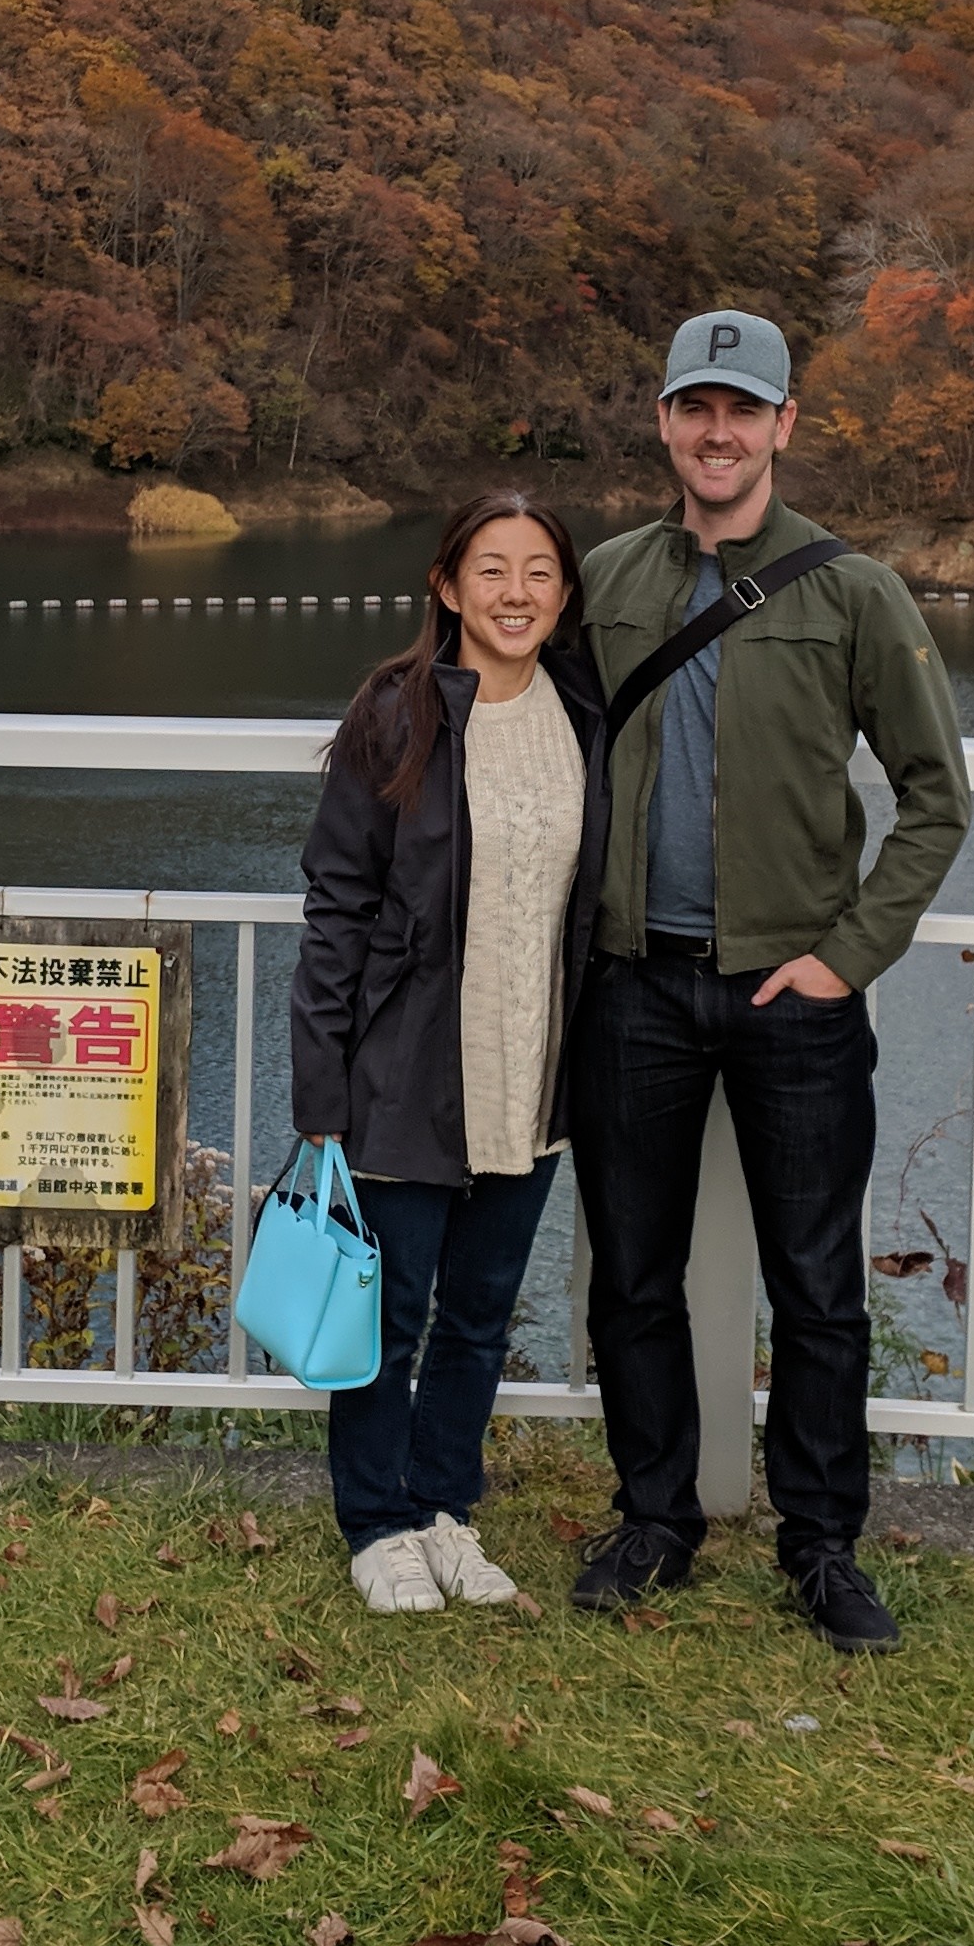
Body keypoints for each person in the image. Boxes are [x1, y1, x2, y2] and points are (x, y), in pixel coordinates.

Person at [566, 309, 970, 1652]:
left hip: (792, 999)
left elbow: (934, 801)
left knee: (817, 1282)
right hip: (635, 986)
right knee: (630, 1272)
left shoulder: (854, 591)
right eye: (697, 407)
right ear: (665, 424)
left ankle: (822, 1541)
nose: (719, 432)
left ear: (785, 427)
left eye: (744, 410)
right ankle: (656, 1518)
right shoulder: (608, 578)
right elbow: (512, 719)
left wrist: (848, 956)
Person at [289, 492, 610, 1615]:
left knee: (481, 1309)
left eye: (537, 573)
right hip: (409, 1069)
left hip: (531, 1070)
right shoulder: (400, 712)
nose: (514, 594)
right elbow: (337, 904)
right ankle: (375, 1520)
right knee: (390, 1308)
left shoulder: (584, 707)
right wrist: (319, 1083)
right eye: (490, 571)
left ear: (565, 595)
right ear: (445, 585)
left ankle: (443, 1506)